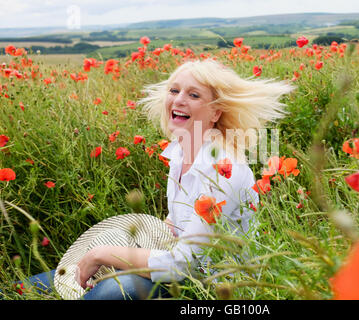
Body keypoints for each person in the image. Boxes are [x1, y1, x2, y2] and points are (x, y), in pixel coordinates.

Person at [14, 58, 294, 300]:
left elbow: (185, 266)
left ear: (215, 112)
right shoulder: (178, 154)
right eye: (174, 90)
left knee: (104, 294)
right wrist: (130, 250)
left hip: (214, 283)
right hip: (177, 264)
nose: (178, 99)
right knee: (25, 288)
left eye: (194, 95)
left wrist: (103, 254)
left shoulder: (224, 169)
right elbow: (176, 225)